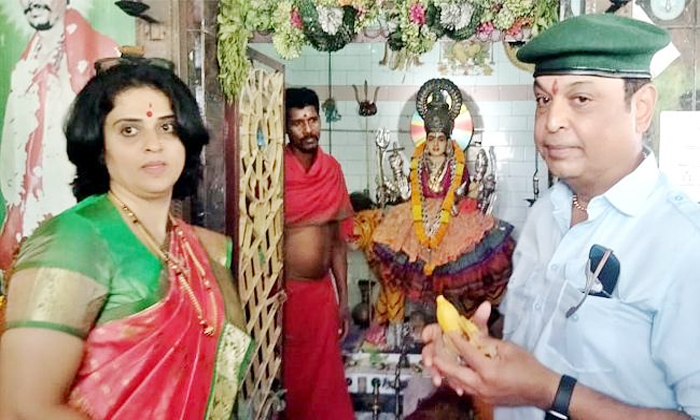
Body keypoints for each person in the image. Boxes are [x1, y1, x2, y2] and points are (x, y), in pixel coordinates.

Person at [422, 13, 700, 420]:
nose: (551, 122)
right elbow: (536, 348)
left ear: (640, 109)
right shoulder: (543, 217)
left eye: (581, 99)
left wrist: (550, 392)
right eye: (543, 99)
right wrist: (479, 350)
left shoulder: (683, 244)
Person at [0, 57, 253, 419]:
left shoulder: (203, 248)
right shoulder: (76, 238)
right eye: (129, 130)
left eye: (167, 127)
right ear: (100, 147)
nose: (154, 145)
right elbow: (23, 409)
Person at [367, 78, 515, 327]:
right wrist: (391, 166)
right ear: (425, 139)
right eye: (432, 138)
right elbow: (409, 193)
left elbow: (466, 195)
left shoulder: (457, 165)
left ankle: (456, 325)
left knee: (454, 278)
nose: (436, 144)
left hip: (452, 224)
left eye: (441, 139)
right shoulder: (418, 164)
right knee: (417, 276)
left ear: (449, 141)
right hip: (417, 223)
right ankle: (422, 323)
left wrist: (469, 198)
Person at [0, 0, 120, 271]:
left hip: (78, 213)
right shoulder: (23, 66)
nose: (33, 2)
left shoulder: (100, 51)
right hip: (27, 218)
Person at [282, 87, 354, 420]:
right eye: (298, 123)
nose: (308, 130)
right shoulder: (274, 171)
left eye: (312, 120)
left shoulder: (332, 169)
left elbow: (337, 240)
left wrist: (343, 299)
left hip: (322, 294)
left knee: (327, 386)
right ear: (286, 127)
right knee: (295, 383)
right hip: (287, 297)